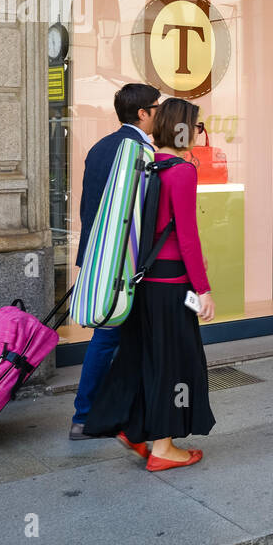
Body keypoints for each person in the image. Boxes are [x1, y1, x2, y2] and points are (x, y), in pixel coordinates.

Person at [84, 98, 216, 471]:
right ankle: (164, 448)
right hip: (173, 285)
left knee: (145, 358)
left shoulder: (147, 166)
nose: (198, 132)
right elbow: (187, 237)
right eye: (197, 126)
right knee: (175, 364)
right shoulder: (183, 172)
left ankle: (136, 429)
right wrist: (203, 290)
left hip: (142, 284)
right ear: (183, 128)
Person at [69, 82, 160, 441]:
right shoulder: (139, 152)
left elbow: (87, 208)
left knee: (108, 337)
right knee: (114, 339)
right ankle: (90, 415)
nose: (160, 114)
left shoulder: (102, 147)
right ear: (143, 113)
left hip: (100, 259)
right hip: (127, 265)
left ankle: (94, 413)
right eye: (157, 107)